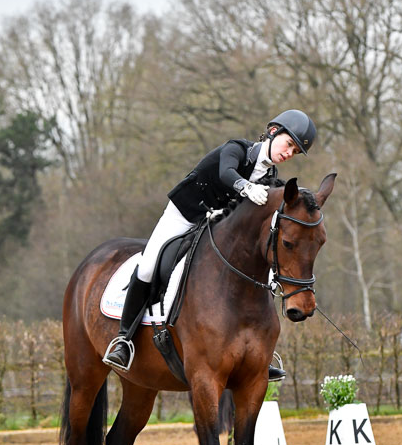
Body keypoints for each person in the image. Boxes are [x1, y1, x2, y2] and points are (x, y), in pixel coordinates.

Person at [103, 109, 317, 376]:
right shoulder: (237, 149)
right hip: (185, 214)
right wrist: (245, 186)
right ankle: (124, 340)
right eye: (289, 144)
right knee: (147, 266)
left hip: (215, 227)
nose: (289, 153)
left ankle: (258, 352)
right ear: (273, 132)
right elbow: (226, 171)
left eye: (295, 151)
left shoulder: (271, 179)